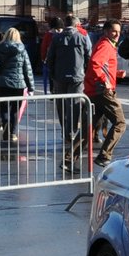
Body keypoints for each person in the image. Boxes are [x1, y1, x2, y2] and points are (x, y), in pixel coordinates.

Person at [46, 15, 92, 166]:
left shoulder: (57, 38)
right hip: (77, 76)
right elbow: (88, 56)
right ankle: (72, 132)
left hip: (60, 76)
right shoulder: (83, 38)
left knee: (61, 104)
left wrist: (53, 74)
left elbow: (50, 58)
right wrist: (84, 71)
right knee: (75, 104)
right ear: (76, 24)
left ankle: (64, 130)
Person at [84, 20, 125, 167]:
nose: (117, 34)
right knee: (120, 122)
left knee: (89, 128)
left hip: (95, 90)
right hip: (102, 91)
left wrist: (118, 74)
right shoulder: (106, 45)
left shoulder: (105, 44)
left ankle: (68, 159)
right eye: (114, 31)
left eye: (119, 32)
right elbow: (95, 63)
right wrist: (105, 81)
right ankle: (104, 156)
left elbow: (103, 66)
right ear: (106, 31)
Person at [0, 26, 34, 142]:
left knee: (3, 108)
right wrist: (31, 88)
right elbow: (27, 70)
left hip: (2, 83)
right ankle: (12, 133)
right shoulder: (22, 50)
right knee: (14, 110)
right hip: (18, 84)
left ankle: (5, 127)